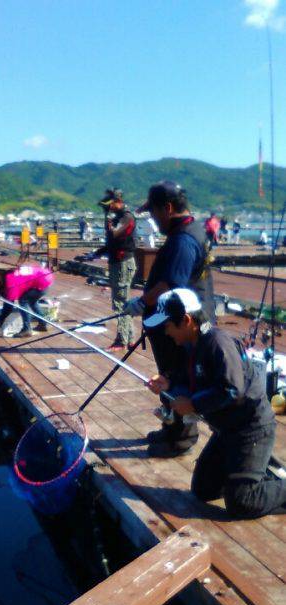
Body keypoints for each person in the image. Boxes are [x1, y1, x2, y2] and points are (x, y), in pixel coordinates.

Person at [146, 288, 286, 518]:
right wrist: (168, 384)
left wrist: (193, 405)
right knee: (203, 490)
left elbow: (233, 390)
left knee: (242, 502)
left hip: (251, 428)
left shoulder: (217, 342)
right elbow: (193, 381)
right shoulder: (193, 345)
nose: (166, 331)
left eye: (168, 325)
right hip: (227, 430)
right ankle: (252, 472)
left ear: (186, 320)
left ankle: (257, 478)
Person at [125, 181, 215, 457]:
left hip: (180, 326)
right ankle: (170, 427)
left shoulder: (183, 240)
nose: (152, 219)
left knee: (177, 376)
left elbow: (170, 285)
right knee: (169, 375)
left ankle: (181, 437)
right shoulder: (188, 230)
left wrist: (142, 302)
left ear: (168, 207)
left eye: (153, 212)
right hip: (175, 322)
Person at [93, 188, 137, 351]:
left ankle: (121, 340)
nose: (108, 208)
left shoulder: (127, 217)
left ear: (118, 202)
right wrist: (98, 252)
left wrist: (108, 221)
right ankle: (130, 338)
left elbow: (116, 234)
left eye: (110, 205)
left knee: (120, 302)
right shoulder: (119, 217)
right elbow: (112, 241)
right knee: (123, 300)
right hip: (117, 261)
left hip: (123, 263)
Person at [0, 261, 54, 338]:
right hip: (45, 277)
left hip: (42, 281)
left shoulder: (11, 283)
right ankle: (43, 324)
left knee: (23, 300)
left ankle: (26, 330)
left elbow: (8, 307)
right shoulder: (9, 275)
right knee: (32, 301)